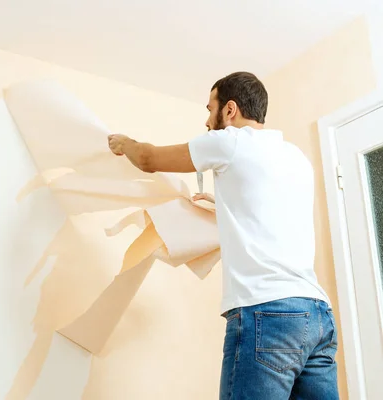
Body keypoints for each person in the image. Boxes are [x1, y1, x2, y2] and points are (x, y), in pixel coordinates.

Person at [107, 72, 339, 400]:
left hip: (266, 313)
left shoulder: (229, 142)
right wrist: (223, 206)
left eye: (209, 108)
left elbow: (147, 159)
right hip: (317, 316)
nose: (206, 120)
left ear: (229, 110)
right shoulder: (295, 157)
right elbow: (272, 213)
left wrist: (122, 143)